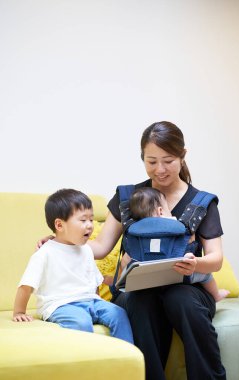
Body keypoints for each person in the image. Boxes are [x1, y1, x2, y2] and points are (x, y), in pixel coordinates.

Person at [37, 122, 227, 380]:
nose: (159, 170)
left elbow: (215, 260)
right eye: (151, 162)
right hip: (138, 290)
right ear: (142, 159)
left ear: (183, 155)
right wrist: (61, 241)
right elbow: (101, 247)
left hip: (188, 290)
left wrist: (196, 265)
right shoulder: (128, 197)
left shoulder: (202, 202)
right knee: (141, 300)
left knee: (178, 298)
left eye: (168, 161)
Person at [13, 188, 134, 344]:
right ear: (59, 225)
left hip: (91, 301)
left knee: (118, 314)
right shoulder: (45, 253)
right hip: (60, 305)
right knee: (81, 321)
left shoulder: (86, 250)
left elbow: (94, 282)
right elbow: (26, 286)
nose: (90, 225)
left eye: (91, 219)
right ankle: (89, 361)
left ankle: (127, 357)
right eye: (83, 220)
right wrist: (19, 312)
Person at [128, 186, 229, 302]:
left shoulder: (135, 232)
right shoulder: (174, 225)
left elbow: (128, 260)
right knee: (206, 276)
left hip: (147, 280)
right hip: (180, 275)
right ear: (161, 211)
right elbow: (189, 240)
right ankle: (216, 295)